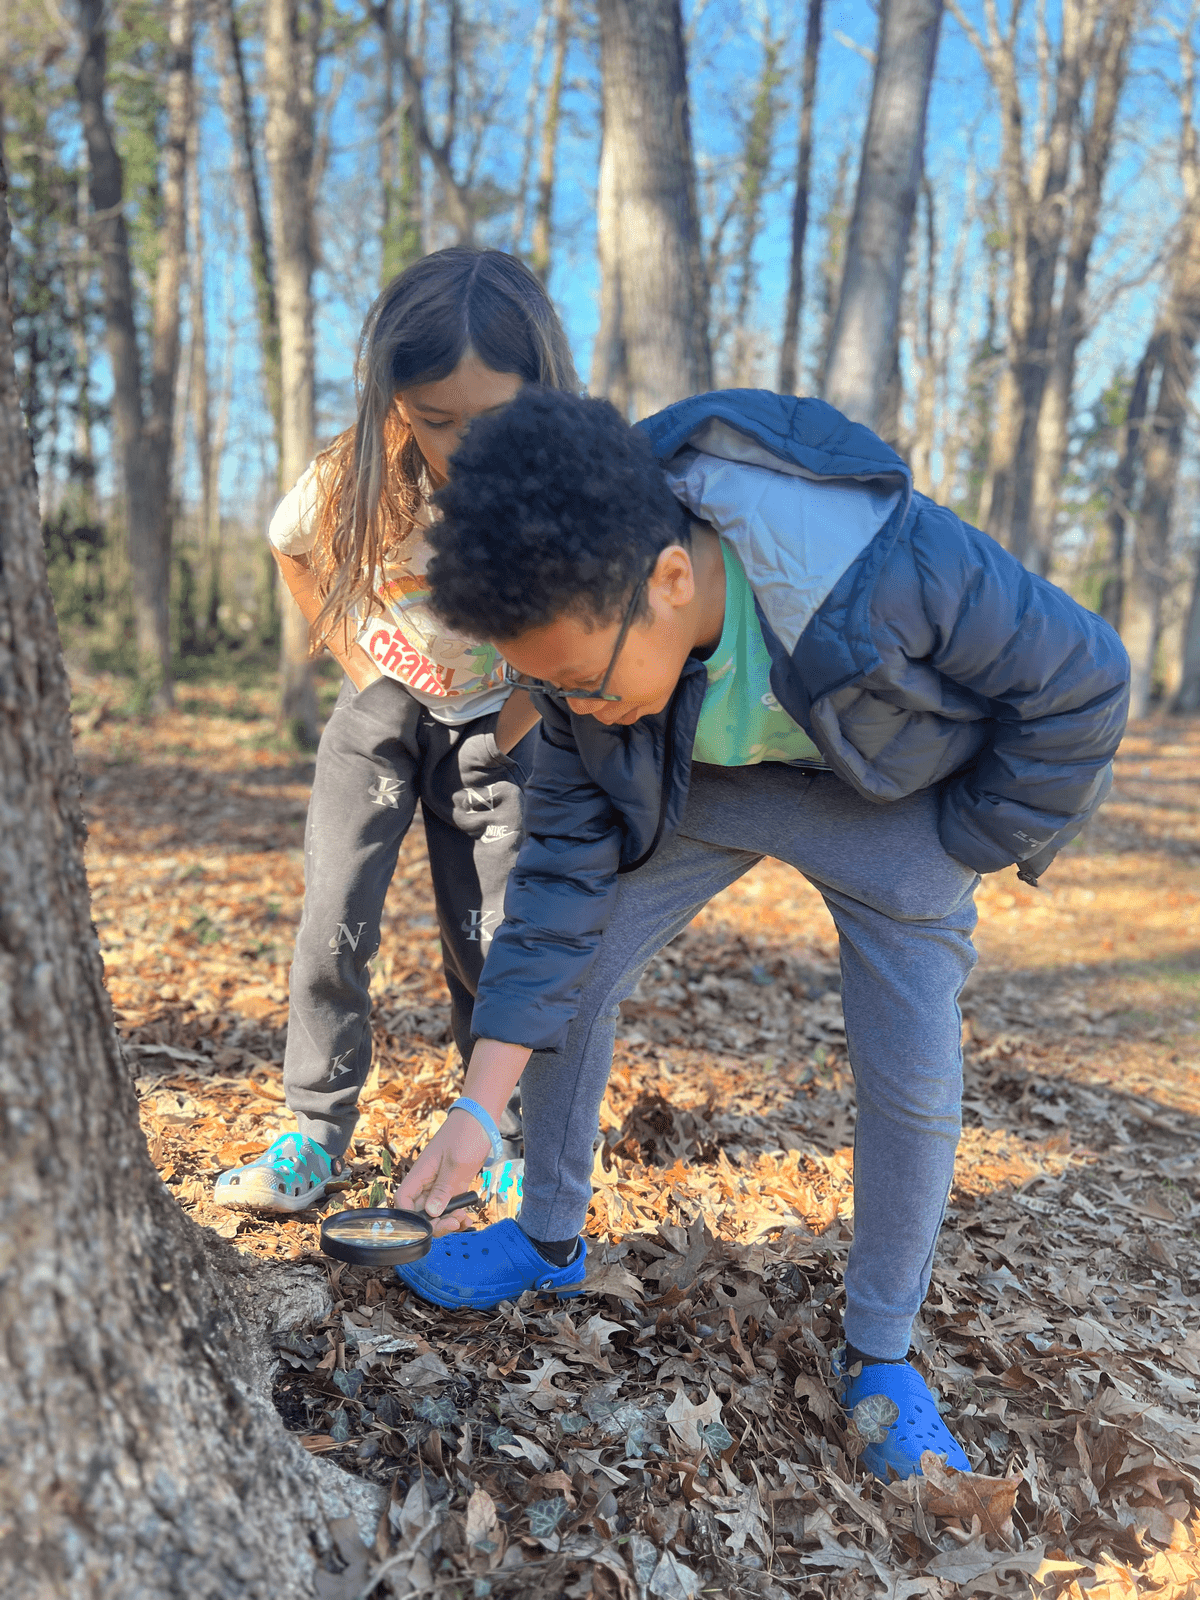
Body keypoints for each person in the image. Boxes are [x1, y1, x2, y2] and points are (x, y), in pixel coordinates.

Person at [392, 384, 1130, 1479]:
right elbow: (553, 904)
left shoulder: (884, 566)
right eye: (548, 687)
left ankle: (882, 1352)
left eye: (581, 681)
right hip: (705, 781)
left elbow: (1084, 680)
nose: (571, 707)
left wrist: (972, 838)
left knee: (911, 1067)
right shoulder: (584, 676)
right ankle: (545, 1236)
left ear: (671, 580)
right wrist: (473, 1109)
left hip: (890, 806)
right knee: (577, 971)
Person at [214, 251, 580, 1214]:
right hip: (379, 714)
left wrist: (513, 724)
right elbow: (290, 547)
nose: (461, 445)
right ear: (396, 401)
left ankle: (498, 1134)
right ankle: (312, 1127)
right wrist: (353, 656)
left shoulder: (560, 490)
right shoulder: (359, 471)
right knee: (334, 918)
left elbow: (583, 633)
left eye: (488, 420)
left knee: (492, 934)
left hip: (500, 728)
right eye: (435, 418)